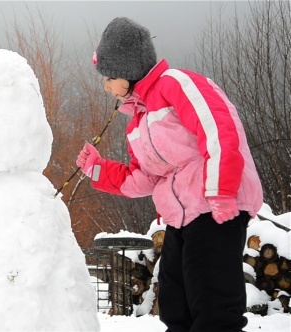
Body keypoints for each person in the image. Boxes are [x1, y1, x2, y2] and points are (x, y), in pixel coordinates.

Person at [76, 17, 263, 332]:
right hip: (181, 218)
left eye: (108, 77)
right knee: (176, 304)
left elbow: (217, 128)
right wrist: (98, 168)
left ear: (128, 68)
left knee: (213, 304)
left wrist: (221, 189)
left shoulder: (176, 83)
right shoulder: (138, 120)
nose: (106, 87)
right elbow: (145, 178)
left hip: (215, 205)